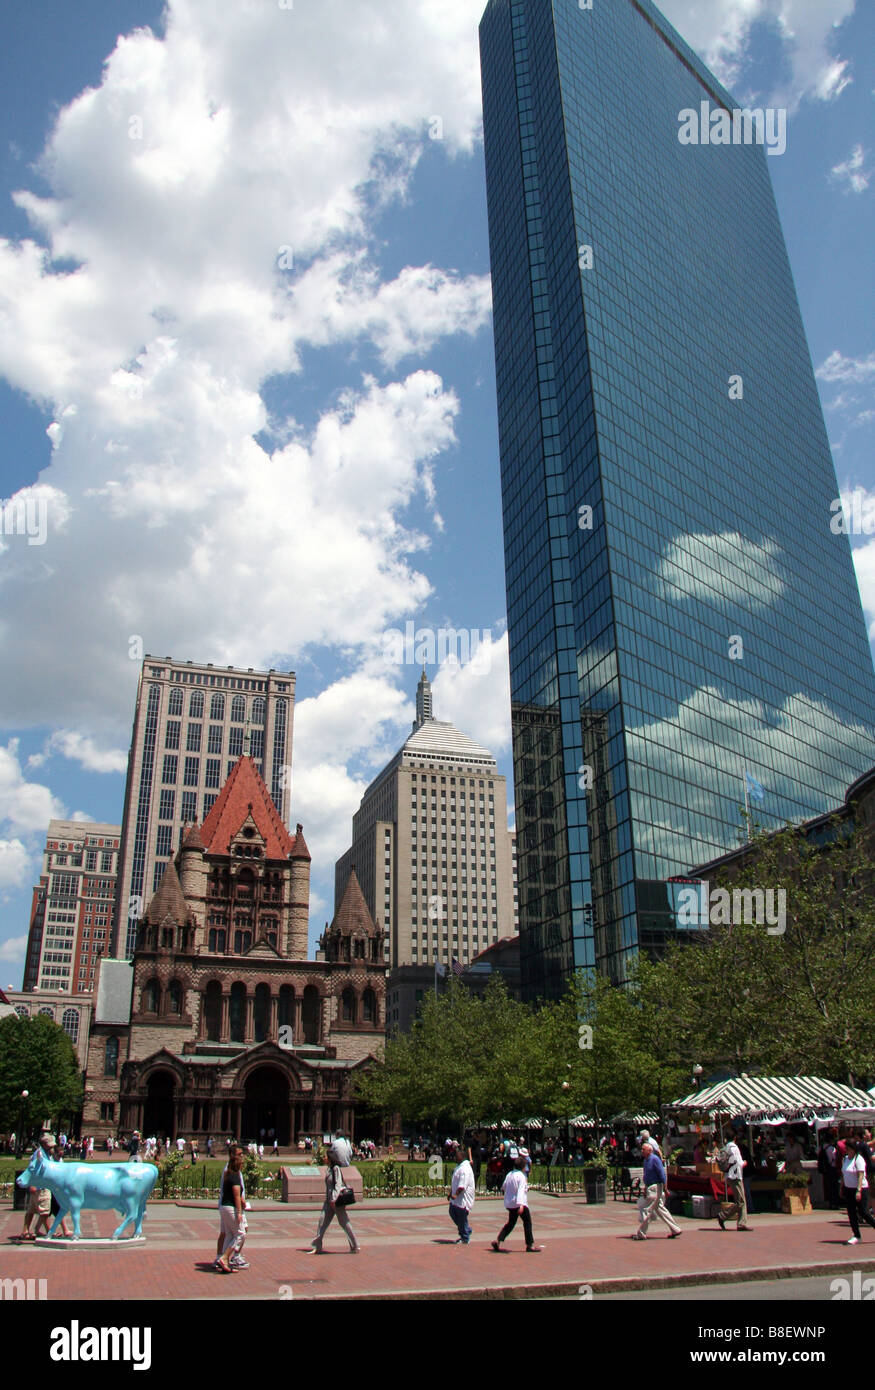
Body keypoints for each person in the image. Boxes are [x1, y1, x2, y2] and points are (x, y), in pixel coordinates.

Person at [306, 1150, 359, 1254]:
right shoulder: (329, 1169)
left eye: (325, 1156)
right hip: (328, 1201)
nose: (324, 1158)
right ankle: (317, 1246)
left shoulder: (336, 1169)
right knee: (322, 1222)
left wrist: (334, 1199)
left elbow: (338, 1185)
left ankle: (355, 1246)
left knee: (344, 1223)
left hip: (336, 1201)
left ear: (330, 1158)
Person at [632, 1142, 682, 1240]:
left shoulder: (655, 1159)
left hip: (656, 1188)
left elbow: (662, 1174)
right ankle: (675, 1229)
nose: (642, 1151)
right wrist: (645, 1188)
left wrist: (665, 1188)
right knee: (660, 1210)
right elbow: (646, 1175)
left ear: (649, 1151)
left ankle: (641, 1233)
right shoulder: (646, 1161)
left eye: (643, 1149)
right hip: (650, 1187)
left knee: (647, 1209)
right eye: (642, 1149)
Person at [492, 1155, 541, 1253]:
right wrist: (521, 1205)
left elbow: (503, 1187)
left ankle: (498, 1240)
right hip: (519, 1203)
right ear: (523, 1167)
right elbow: (520, 1192)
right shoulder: (521, 1176)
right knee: (527, 1222)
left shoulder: (510, 1174)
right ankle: (529, 1245)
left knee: (510, 1223)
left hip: (510, 1204)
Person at [215, 1147, 248, 1272]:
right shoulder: (233, 1174)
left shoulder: (230, 1172)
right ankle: (225, 1258)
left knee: (229, 1233)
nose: (242, 1157)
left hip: (226, 1206)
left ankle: (225, 1261)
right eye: (240, 1155)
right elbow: (236, 1195)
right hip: (231, 1207)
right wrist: (239, 1211)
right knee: (240, 1233)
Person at [18, 1132, 55, 1240]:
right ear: (44, 1144)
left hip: (42, 1185)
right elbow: (33, 1169)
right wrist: (33, 1184)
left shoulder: (45, 1153)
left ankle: (25, 1231)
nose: (52, 1147)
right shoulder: (39, 1154)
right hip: (41, 1186)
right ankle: (49, 1231)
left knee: (32, 1210)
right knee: (44, 1211)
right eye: (50, 1145)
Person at [842, 1137, 875, 1245]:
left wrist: (858, 1190)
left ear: (853, 1149)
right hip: (848, 1188)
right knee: (851, 1213)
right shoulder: (845, 1159)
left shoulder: (858, 1159)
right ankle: (856, 1235)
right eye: (845, 1148)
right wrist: (842, 1187)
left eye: (848, 1148)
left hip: (860, 1189)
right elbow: (844, 1174)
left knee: (863, 1212)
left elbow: (861, 1175)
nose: (846, 1150)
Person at [716, 1134, 751, 1231]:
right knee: (741, 1201)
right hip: (736, 1175)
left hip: (729, 1175)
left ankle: (741, 1223)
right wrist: (745, 1163)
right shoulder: (734, 1148)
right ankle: (723, 1216)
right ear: (735, 1138)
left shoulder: (726, 1147)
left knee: (741, 1201)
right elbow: (739, 1163)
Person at [448, 1142, 475, 1244]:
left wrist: (455, 1194)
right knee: (452, 1212)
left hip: (463, 1199)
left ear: (462, 1157)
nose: (455, 1157)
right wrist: (451, 1192)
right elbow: (455, 1181)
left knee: (461, 1217)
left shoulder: (465, 1169)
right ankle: (466, 1229)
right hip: (456, 1199)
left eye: (457, 1156)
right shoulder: (459, 1166)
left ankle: (464, 1237)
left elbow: (462, 1185)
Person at [819, 1131, 840, 1209]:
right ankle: (835, 1203)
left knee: (829, 1186)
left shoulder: (822, 1147)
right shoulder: (831, 1148)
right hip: (832, 1168)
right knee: (834, 1186)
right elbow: (834, 1158)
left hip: (826, 1169)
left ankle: (831, 1202)